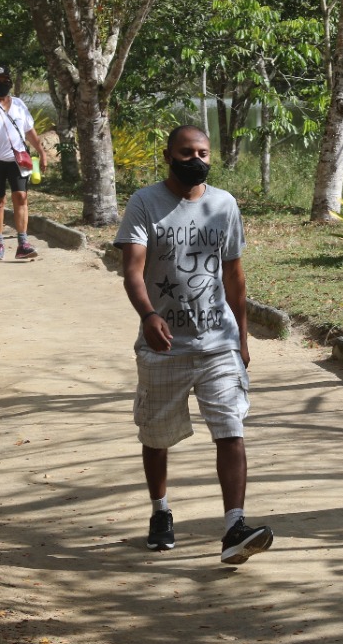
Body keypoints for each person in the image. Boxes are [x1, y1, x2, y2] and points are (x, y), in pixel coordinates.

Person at [115, 125, 273, 565]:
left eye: (203, 152)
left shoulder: (224, 205)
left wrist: (242, 337)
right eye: (186, 152)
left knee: (231, 428)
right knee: (156, 434)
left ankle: (234, 527)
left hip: (217, 341)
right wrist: (148, 316)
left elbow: (234, 276)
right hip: (164, 345)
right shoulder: (145, 203)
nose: (195, 159)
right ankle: (160, 511)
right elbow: (132, 269)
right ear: (167, 155)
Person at [0, 64, 46, 260]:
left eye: (5, 81)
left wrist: (41, 152)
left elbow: (29, 131)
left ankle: (23, 243)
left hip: (17, 160)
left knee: (21, 197)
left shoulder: (19, 104)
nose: (2, 84)